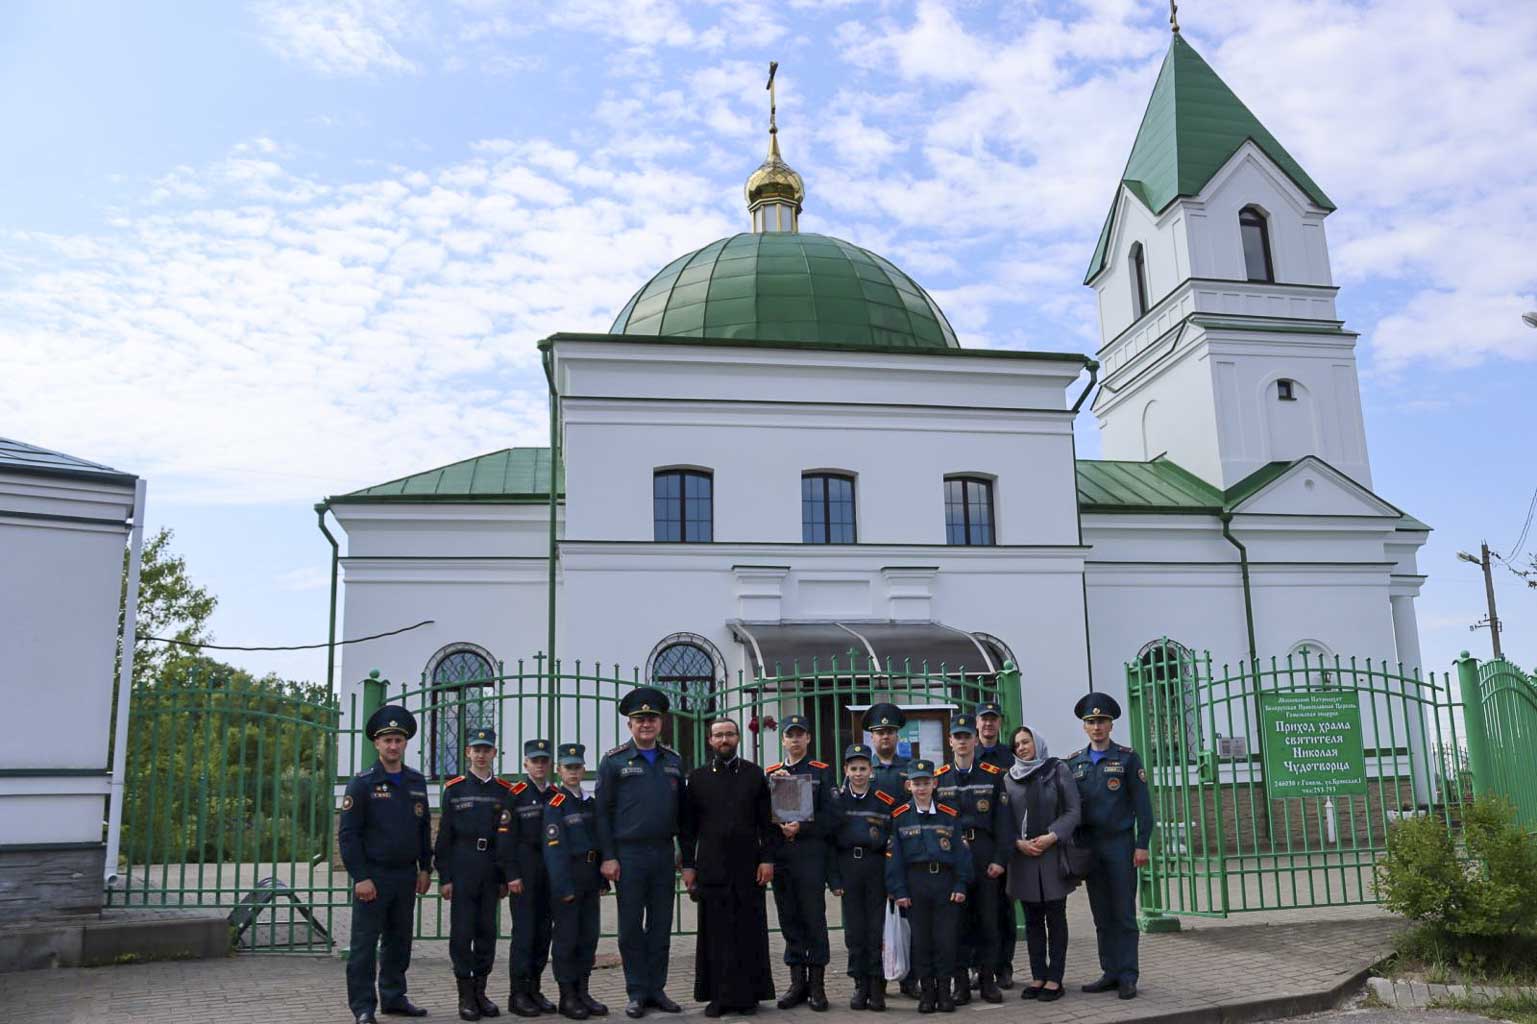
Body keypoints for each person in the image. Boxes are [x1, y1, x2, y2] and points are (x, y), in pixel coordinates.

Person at [594, 687, 686, 1019]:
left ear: (660, 723)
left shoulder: (673, 760)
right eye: (639, 720)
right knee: (631, 927)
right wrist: (608, 855)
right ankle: (635, 991)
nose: (646, 725)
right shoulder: (614, 760)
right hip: (628, 855)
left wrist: (684, 856)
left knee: (660, 926)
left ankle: (656, 989)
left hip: (662, 854)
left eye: (651, 719)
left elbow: (683, 814)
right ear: (630, 725)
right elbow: (602, 812)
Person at [339, 705, 433, 1024]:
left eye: (398, 740)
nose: (393, 746)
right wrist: (361, 877)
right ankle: (363, 1007)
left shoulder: (416, 782)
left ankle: (393, 997)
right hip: (374, 878)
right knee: (365, 945)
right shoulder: (362, 784)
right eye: (387, 740)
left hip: (406, 875)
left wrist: (425, 868)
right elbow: (348, 836)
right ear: (377, 745)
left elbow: (423, 830)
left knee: (399, 942)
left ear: (405, 744)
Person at [679, 717, 778, 1017]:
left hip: (749, 865)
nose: (724, 740)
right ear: (710, 741)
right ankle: (718, 996)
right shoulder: (696, 778)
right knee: (716, 933)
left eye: (729, 735)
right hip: (712, 866)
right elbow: (687, 828)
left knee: (749, 930)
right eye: (718, 735)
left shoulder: (754, 774)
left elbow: (767, 822)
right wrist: (688, 865)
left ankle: (750, 996)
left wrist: (767, 858)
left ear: (738, 738)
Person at [1065, 693, 1154, 1000]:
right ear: (1084, 727)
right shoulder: (1075, 763)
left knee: (1124, 914)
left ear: (1111, 724)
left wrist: (1142, 845)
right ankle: (1110, 971)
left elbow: (1144, 807)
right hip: (1091, 847)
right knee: (1101, 914)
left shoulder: (1128, 759)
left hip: (1120, 845)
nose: (1097, 727)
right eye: (1091, 722)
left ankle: (1128, 975)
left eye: (1102, 721)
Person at [436, 727, 516, 1021]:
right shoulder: (454, 789)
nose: (481, 755)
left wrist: (505, 876)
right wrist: (445, 876)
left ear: (495, 753)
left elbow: (508, 837)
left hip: (490, 868)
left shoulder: (504, 791)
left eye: (486, 749)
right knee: (462, 933)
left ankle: (481, 992)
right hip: (462, 866)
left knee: (486, 933)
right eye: (476, 749)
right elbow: (444, 837)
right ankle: (465, 996)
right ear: (467, 752)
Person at [1001, 725, 1081, 1003]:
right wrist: (1017, 842)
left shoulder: (1056, 769)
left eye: (1026, 742)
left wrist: (1052, 836)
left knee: (1055, 918)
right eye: (1017, 745)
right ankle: (1038, 976)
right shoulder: (1008, 779)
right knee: (1033, 920)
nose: (1022, 747)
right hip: (1023, 858)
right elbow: (1004, 820)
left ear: (1037, 742)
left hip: (1051, 854)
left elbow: (1073, 810)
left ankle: (1055, 978)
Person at [884, 759, 971, 1014]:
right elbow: (894, 858)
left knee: (945, 941)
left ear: (934, 784)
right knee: (921, 942)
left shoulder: (949, 814)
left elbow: (961, 854)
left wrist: (961, 884)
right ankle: (927, 993)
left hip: (945, 884)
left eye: (926, 782)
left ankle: (944, 992)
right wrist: (899, 890)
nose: (921, 788)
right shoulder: (900, 817)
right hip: (915, 885)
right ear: (909, 785)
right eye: (917, 783)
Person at [934, 714, 1009, 1005]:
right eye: (958, 737)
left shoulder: (992, 775)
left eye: (967, 736)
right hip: (954, 859)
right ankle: (961, 983)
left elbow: (1004, 822)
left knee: (988, 922)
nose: (963, 742)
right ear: (950, 741)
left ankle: (988, 981)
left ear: (975, 740)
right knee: (957, 924)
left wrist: (1000, 859)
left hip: (984, 855)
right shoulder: (940, 778)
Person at [765, 714, 835, 1012]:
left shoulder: (821, 772)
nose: (795, 739)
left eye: (800, 734)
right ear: (783, 740)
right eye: (790, 735)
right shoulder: (771, 774)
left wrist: (802, 828)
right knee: (789, 919)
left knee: (814, 920)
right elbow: (761, 819)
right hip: (782, 858)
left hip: (810, 856)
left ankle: (818, 986)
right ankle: (797, 982)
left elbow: (832, 818)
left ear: (808, 739)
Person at [543, 743, 610, 1020]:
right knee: (567, 940)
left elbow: (599, 840)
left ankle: (583, 991)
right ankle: (567, 996)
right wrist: (563, 887)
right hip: (568, 879)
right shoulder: (555, 804)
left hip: (589, 877)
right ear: (559, 771)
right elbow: (554, 849)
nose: (573, 772)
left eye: (577, 767)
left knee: (588, 938)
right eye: (567, 767)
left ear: (584, 769)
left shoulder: (589, 801)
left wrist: (601, 880)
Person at [827, 743, 891, 1012]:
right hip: (848, 868)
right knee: (854, 931)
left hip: (875, 868)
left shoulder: (884, 801)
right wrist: (835, 880)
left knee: (876, 930)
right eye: (853, 768)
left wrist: (890, 878)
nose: (858, 773)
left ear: (871, 770)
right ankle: (859, 984)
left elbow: (892, 842)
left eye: (863, 768)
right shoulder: (837, 801)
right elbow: (829, 843)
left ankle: (877, 986)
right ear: (846, 770)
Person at [498, 739, 559, 1017]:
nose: (539, 765)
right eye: (535, 761)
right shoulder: (516, 793)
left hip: (549, 872)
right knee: (524, 934)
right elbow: (506, 838)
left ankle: (534, 989)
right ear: (525, 763)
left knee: (543, 933)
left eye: (544, 761)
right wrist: (511, 874)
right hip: (524, 871)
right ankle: (518, 994)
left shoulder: (556, 795)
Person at [863, 702, 915, 999]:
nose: (885, 737)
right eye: (880, 732)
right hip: (872, 856)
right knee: (874, 920)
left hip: (905, 854)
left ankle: (910, 978)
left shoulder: (908, 771)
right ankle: (877, 979)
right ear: (872, 737)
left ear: (897, 737)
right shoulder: (861, 770)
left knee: (909, 918)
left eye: (890, 732)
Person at [973, 701, 1016, 990]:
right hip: (977, 845)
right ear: (976, 724)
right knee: (977, 911)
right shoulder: (968, 754)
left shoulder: (1009, 757)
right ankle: (980, 968)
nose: (988, 724)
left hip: (1004, 839)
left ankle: (1004, 967)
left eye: (993, 719)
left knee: (1004, 908)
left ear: (1000, 723)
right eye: (983, 719)